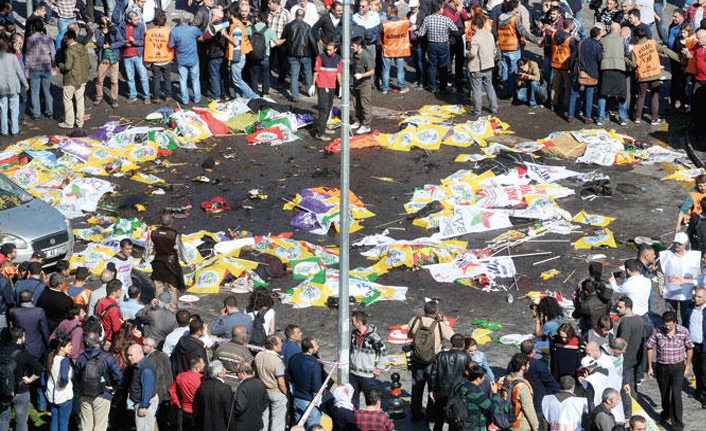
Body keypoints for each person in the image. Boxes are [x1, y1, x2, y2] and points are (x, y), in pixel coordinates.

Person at [406, 301, 453, 423]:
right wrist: (442, 322)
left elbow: (409, 334)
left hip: (417, 359)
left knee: (417, 388)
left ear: (424, 310)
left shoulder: (415, 320)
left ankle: (415, 414)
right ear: (436, 312)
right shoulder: (439, 325)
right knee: (432, 390)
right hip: (433, 362)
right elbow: (452, 336)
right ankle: (430, 416)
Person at [646, 311, 693, 429]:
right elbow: (649, 347)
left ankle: (677, 425)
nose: (667, 328)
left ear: (675, 323)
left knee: (676, 395)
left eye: (670, 326)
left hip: (678, 367)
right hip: (662, 367)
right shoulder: (657, 332)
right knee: (665, 393)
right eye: (666, 325)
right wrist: (650, 367)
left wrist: (687, 366)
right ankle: (666, 414)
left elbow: (690, 348)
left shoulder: (683, 332)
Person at [626, 26, 679, 124]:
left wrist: (625, 59)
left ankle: (637, 117)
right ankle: (654, 118)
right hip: (655, 74)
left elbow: (634, 65)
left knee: (641, 96)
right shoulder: (653, 43)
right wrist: (678, 58)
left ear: (636, 37)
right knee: (655, 96)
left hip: (643, 76)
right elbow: (665, 51)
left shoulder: (635, 49)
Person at [143, 215, 193, 313]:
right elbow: (181, 250)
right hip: (171, 263)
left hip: (158, 262)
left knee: (158, 286)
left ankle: (157, 308)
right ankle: (173, 310)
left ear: (161, 222)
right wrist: (189, 263)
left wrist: (143, 258)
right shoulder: (174, 235)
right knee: (172, 288)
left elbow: (148, 248)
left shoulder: (154, 233)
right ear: (172, 222)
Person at [75, 332, 123, 431]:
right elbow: (118, 376)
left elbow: (76, 377)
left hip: (85, 394)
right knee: (100, 426)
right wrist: (115, 387)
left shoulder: (81, 357)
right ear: (99, 341)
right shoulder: (108, 357)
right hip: (103, 394)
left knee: (86, 425)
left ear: (87, 343)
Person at [495, 0, 541, 98]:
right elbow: (524, 33)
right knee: (513, 71)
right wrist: (537, 41)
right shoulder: (514, 19)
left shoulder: (500, 18)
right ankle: (511, 92)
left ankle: (505, 91)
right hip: (513, 47)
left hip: (503, 47)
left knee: (504, 70)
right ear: (515, 8)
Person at [0, 327, 43, 431]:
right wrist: (30, 379)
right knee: (21, 421)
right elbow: (38, 369)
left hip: (4, 390)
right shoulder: (24, 353)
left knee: (3, 419)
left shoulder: (2, 352)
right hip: (21, 391)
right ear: (19, 339)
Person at [416, 1, 458, 94]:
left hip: (432, 44)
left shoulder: (427, 19)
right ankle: (443, 86)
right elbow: (455, 29)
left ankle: (432, 86)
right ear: (440, 10)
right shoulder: (446, 19)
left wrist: (415, 32)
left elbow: (421, 33)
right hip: (443, 44)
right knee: (443, 65)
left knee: (432, 66)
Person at [429, 333, 469, 431]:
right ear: (463, 345)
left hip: (441, 392)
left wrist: (432, 389)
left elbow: (433, 375)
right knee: (454, 419)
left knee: (439, 418)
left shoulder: (441, 355)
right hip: (457, 393)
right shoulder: (466, 358)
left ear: (451, 344)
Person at [659, 232, 701, 324]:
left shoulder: (692, 257)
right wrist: (661, 286)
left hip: (687, 290)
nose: (677, 245)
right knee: (670, 312)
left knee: (686, 314)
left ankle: (685, 330)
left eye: (679, 243)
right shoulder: (666, 255)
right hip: (670, 289)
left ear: (685, 245)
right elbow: (661, 271)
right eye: (675, 243)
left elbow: (697, 272)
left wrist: (696, 286)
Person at [222, 3, 259, 100]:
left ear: (230, 13)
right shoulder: (237, 24)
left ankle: (253, 96)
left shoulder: (237, 26)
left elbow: (236, 42)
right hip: (238, 55)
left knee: (236, 79)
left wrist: (225, 35)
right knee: (236, 78)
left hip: (238, 55)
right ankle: (238, 98)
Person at [567, 25, 603, 123]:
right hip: (591, 73)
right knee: (589, 95)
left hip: (578, 71)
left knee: (574, 92)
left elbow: (573, 56)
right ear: (597, 36)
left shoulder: (581, 43)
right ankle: (587, 117)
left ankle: (570, 115)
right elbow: (599, 60)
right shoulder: (597, 46)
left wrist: (570, 68)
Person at [596, 21, 629, 126]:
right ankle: (623, 118)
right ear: (619, 31)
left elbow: (600, 53)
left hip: (605, 68)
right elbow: (627, 52)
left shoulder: (603, 40)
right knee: (621, 94)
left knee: (603, 93)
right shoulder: (622, 40)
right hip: (619, 68)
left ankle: (601, 118)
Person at [168, 12, 204, 105]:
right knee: (195, 79)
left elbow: (170, 45)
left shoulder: (174, 30)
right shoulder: (193, 29)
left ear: (180, 20)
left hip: (181, 59)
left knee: (182, 80)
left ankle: (185, 100)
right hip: (193, 59)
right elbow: (201, 35)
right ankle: (197, 98)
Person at [281, 8, 316, 102]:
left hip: (292, 53)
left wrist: (284, 49)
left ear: (295, 15)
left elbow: (283, 39)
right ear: (303, 16)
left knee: (294, 75)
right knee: (308, 73)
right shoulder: (308, 26)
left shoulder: (289, 25)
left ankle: (295, 96)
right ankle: (309, 92)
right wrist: (316, 54)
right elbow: (312, 41)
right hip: (305, 53)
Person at [254, 335, 287, 431]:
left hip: (263, 392)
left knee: (263, 419)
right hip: (276, 393)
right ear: (274, 346)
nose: (282, 344)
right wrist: (287, 394)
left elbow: (255, 373)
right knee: (277, 422)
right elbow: (281, 383)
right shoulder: (277, 361)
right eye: (280, 342)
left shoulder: (259, 355)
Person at [497, 353, 539, 431]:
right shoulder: (522, 386)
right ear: (523, 367)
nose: (529, 366)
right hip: (519, 425)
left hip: (503, 422)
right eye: (528, 364)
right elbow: (528, 408)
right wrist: (536, 427)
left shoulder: (502, 380)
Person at [466, 15, 497, 115]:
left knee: (476, 90)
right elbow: (494, 51)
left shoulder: (475, 38)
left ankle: (477, 110)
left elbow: (473, 53)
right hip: (488, 65)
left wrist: (467, 53)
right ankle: (494, 107)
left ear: (474, 26)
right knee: (489, 87)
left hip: (477, 67)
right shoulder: (490, 35)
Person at [289, 337, 323, 428]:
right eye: (316, 345)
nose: (318, 346)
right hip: (309, 401)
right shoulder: (314, 364)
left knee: (299, 426)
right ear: (310, 349)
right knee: (313, 427)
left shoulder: (294, 359)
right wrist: (319, 403)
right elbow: (316, 387)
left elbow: (289, 378)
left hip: (297, 399)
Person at [24, 20, 54, 122]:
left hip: (34, 68)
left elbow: (28, 56)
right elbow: (53, 54)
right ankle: (49, 111)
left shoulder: (30, 39)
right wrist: (53, 66)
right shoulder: (48, 38)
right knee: (47, 90)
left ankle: (36, 113)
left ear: (33, 28)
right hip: (46, 67)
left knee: (35, 92)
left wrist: (26, 69)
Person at [311, 41, 342, 142]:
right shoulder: (321, 57)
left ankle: (323, 126)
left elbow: (338, 73)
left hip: (332, 86)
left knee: (328, 107)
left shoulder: (338, 59)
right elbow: (316, 71)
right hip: (322, 85)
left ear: (335, 50)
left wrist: (340, 86)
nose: (328, 51)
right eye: (327, 49)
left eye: (330, 50)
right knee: (323, 109)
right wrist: (313, 85)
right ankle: (320, 133)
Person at [615, 296, 646, 393]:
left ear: (627, 308)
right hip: (637, 358)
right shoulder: (640, 320)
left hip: (626, 359)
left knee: (626, 387)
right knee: (633, 385)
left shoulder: (626, 323)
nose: (617, 309)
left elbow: (621, 343)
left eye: (620, 307)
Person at [120, 11, 151, 104]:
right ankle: (133, 95)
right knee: (130, 78)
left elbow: (143, 41)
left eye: (138, 19)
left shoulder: (141, 26)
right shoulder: (122, 27)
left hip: (138, 55)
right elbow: (119, 39)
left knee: (143, 77)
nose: (138, 21)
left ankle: (147, 96)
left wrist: (134, 42)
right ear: (129, 20)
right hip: (127, 55)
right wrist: (124, 43)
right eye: (135, 19)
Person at [141, 337, 172, 431]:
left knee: (151, 421)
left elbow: (156, 378)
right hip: (167, 393)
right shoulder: (164, 355)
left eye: (144, 345)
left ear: (150, 346)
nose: (141, 347)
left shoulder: (150, 360)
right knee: (164, 421)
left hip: (157, 395)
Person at [9, 289, 50, 360]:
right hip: (36, 347)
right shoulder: (39, 311)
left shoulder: (13, 311)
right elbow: (45, 330)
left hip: (20, 347)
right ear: (32, 299)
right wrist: (48, 344)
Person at [143, 11, 174, 104]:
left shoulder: (148, 32)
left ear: (154, 21)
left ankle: (156, 97)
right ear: (165, 21)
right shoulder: (169, 31)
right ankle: (168, 96)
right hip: (166, 59)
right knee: (167, 78)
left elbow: (147, 45)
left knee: (156, 78)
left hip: (155, 60)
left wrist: (147, 60)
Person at [193, 360, 232, 431]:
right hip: (220, 426)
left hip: (204, 425)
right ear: (219, 374)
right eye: (223, 369)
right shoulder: (225, 388)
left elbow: (198, 405)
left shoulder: (203, 386)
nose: (225, 370)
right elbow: (228, 412)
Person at [45, 336, 74, 431]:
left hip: (52, 397)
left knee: (54, 421)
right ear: (61, 347)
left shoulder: (52, 357)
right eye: (69, 345)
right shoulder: (64, 361)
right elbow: (64, 377)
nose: (71, 347)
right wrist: (64, 382)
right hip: (64, 397)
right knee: (63, 423)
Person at [127, 344, 158, 431]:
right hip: (142, 401)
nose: (129, 358)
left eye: (131, 355)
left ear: (140, 354)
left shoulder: (146, 369)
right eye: (128, 355)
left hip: (145, 402)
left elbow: (147, 389)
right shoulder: (138, 365)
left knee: (144, 428)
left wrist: (143, 406)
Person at [379, 5, 409, 94]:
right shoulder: (404, 22)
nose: (386, 13)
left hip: (388, 49)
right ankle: (402, 87)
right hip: (399, 49)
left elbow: (376, 31)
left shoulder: (384, 24)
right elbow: (412, 27)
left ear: (391, 12)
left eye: (387, 12)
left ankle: (384, 88)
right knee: (400, 69)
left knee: (386, 69)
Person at [245, 12, 277, 98]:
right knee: (265, 75)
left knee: (254, 74)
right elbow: (276, 42)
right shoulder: (269, 30)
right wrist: (285, 40)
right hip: (265, 55)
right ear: (266, 20)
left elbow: (243, 35)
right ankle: (265, 93)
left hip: (253, 54)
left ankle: (254, 93)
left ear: (258, 19)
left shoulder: (251, 28)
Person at [169, 357, 205, 431]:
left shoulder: (180, 376)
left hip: (184, 410)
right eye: (202, 365)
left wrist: (177, 403)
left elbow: (171, 390)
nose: (204, 365)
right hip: (197, 411)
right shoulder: (202, 379)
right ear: (197, 368)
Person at [232, 362, 269, 431]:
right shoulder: (260, 383)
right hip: (257, 423)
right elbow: (266, 401)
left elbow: (239, 407)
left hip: (243, 424)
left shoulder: (242, 386)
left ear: (243, 373)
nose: (237, 375)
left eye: (238, 373)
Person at [687, 286, 706, 407]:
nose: (696, 299)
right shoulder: (690, 308)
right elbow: (685, 322)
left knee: (705, 371)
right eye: (695, 296)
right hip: (692, 346)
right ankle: (699, 389)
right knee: (696, 369)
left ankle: (705, 395)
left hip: (704, 346)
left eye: (699, 297)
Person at [95, 280, 123, 345]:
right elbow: (116, 329)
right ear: (114, 292)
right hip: (109, 339)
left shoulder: (101, 301)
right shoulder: (114, 309)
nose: (121, 292)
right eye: (120, 290)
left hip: (100, 334)